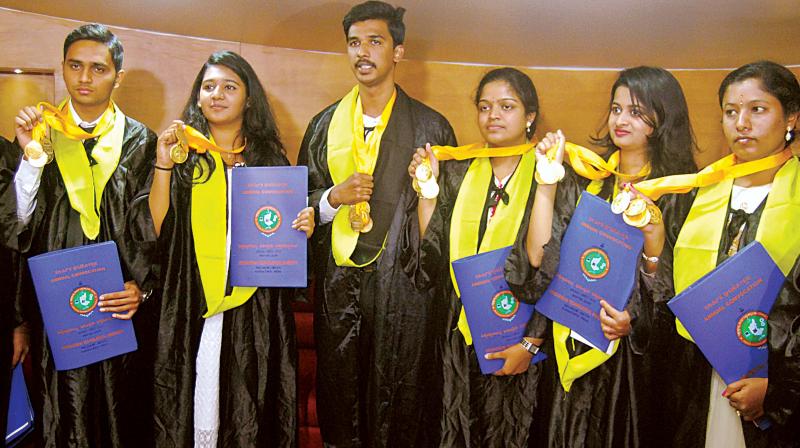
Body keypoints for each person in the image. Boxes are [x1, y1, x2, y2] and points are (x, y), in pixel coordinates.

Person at [297, 1, 457, 446]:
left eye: (374, 41)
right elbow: (300, 207)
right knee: (341, 401)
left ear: (397, 51)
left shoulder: (431, 128)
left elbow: (448, 221)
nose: (362, 52)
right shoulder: (322, 126)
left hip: (405, 294)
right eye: (353, 43)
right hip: (339, 290)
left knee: (402, 404)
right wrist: (332, 198)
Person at [143, 50, 313, 447]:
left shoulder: (269, 158)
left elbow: (281, 232)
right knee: (192, 404)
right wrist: (163, 165)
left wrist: (300, 225)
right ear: (198, 96)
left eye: (229, 86)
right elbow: (154, 226)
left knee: (248, 408)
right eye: (208, 86)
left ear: (248, 98)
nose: (217, 94)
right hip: (191, 299)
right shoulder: (184, 155)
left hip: (254, 304)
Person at [1, 23, 157, 447]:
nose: (84, 78)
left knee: (120, 413)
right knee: (61, 412)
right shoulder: (42, 134)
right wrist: (31, 159)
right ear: (63, 69)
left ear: (117, 76)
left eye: (97, 68)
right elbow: (16, 226)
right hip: (54, 309)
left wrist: (141, 288)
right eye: (75, 66)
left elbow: (155, 230)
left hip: (118, 307)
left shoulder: (142, 142)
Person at [526, 66, 697, 447]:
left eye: (636, 112)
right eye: (617, 108)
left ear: (663, 118)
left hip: (629, 364)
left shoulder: (680, 193)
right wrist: (546, 182)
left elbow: (677, 290)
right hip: (567, 342)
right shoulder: (589, 181)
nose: (621, 120)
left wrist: (633, 321)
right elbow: (540, 258)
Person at [657, 60, 800, 448]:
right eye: (731, 112)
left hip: (778, 385)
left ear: (791, 117)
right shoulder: (698, 195)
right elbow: (671, 292)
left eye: (757, 109)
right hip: (699, 379)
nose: (741, 123)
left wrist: (775, 391)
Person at [405, 67, 546, 447]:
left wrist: (533, 343)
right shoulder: (460, 171)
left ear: (529, 115)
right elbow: (430, 255)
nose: (493, 115)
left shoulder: (548, 175)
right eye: (484, 107)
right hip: (457, 333)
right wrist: (428, 189)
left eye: (506, 106)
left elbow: (552, 267)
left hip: (518, 334)